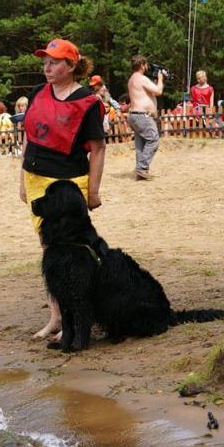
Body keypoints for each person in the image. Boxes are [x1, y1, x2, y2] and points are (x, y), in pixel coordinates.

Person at [20, 37, 106, 340]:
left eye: (54, 62)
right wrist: (22, 178)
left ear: (71, 66)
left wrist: (93, 192)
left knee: (73, 252)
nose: (47, 67)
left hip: (67, 184)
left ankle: (77, 317)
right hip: (36, 180)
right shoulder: (37, 93)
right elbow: (29, 138)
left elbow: (98, 148)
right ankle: (56, 317)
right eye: (45, 61)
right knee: (48, 250)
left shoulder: (87, 101)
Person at [127, 55, 165, 180]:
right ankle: (142, 168)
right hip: (141, 116)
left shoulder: (133, 79)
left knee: (141, 145)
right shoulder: (141, 78)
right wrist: (160, 78)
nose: (147, 67)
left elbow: (149, 92)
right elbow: (158, 91)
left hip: (134, 115)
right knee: (153, 139)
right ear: (142, 65)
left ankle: (140, 171)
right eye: (146, 64)